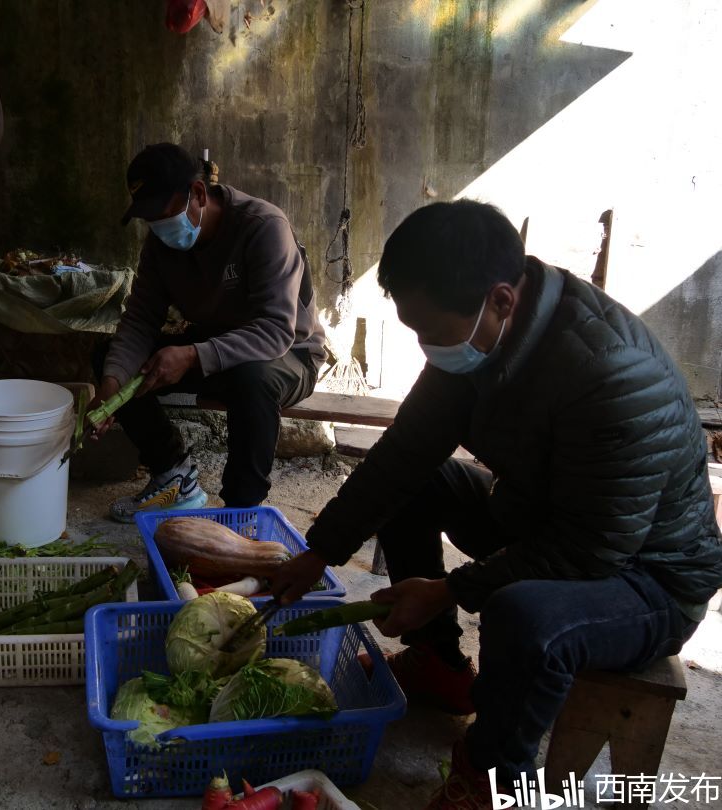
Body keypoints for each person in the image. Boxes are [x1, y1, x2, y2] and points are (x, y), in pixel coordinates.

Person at [269, 200, 722, 809]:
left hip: (646, 575)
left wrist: (451, 588)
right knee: (419, 484)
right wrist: (317, 552)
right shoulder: (476, 335)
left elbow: (590, 551)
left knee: (522, 617)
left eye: (433, 332)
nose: (427, 347)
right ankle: (440, 664)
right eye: (415, 331)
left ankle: (491, 776)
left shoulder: (609, 376)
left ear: (503, 299)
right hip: (540, 515)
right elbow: (402, 455)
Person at [94, 143, 327, 522]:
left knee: (252, 378)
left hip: (288, 354)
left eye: (163, 214)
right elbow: (139, 321)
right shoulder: (159, 247)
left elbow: (274, 329)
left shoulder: (264, 227)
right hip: (212, 350)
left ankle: (239, 511)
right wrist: (111, 389)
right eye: (149, 219)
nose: (158, 227)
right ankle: (175, 477)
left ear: (198, 194)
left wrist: (191, 356)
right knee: (110, 358)